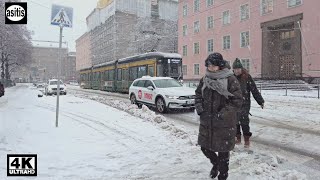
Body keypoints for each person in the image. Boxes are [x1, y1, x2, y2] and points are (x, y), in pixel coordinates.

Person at [195, 53, 243, 180]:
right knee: (204, 147)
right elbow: (198, 95)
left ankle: (223, 175)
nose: (211, 68)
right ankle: (215, 164)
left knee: (223, 154)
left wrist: (222, 114)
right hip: (207, 122)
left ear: (220, 66)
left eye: (214, 65)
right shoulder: (205, 79)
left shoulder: (230, 79)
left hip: (224, 124)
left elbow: (237, 101)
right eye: (209, 65)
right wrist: (200, 110)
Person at [232, 58, 265, 148]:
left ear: (241, 69)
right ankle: (237, 138)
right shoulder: (231, 78)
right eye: (235, 69)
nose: (237, 71)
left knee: (244, 121)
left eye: (238, 69)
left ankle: (246, 140)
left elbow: (254, 90)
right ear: (233, 69)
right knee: (235, 122)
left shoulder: (246, 77)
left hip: (244, 103)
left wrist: (260, 101)